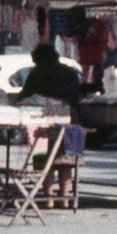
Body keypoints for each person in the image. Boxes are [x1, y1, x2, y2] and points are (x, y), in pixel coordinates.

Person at [16, 44, 82, 209]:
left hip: (45, 120)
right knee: (66, 161)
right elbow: (76, 96)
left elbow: (24, 95)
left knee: (46, 161)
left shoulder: (38, 72)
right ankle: (65, 199)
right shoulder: (69, 72)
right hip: (69, 120)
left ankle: (49, 199)